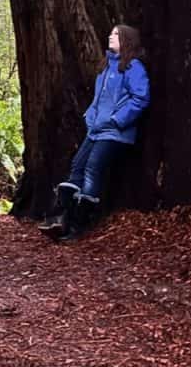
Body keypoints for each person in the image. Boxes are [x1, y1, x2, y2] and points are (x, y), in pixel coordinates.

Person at [39, 23, 150, 241]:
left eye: (116, 34)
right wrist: (90, 116)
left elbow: (141, 98)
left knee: (91, 170)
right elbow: (98, 100)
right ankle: (61, 221)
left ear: (127, 40)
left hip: (115, 133)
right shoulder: (106, 68)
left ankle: (79, 227)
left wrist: (117, 120)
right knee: (77, 167)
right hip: (96, 130)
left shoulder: (133, 67)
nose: (110, 36)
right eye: (110, 33)